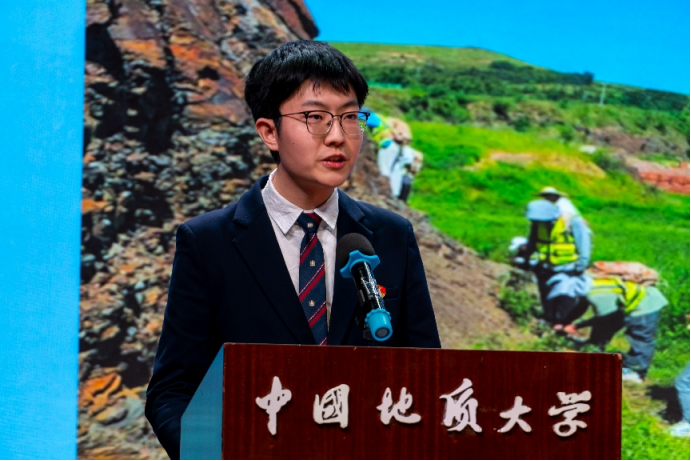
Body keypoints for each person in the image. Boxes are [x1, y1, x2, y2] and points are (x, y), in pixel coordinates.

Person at [145, 41, 441, 460]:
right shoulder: (208, 241)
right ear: (269, 131)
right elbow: (173, 390)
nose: (337, 136)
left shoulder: (391, 235)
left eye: (350, 117)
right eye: (315, 118)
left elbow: (429, 375)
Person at [562, 278, 667, 383]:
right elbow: (582, 307)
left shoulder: (597, 296)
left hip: (645, 304)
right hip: (628, 301)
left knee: (641, 339)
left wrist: (577, 325)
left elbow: (605, 318)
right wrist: (566, 323)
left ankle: (635, 372)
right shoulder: (589, 285)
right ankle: (595, 352)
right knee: (605, 327)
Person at [522, 196, 592, 326]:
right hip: (545, 266)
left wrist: (581, 265)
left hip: (567, 266)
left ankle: (561, 323)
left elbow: (584, 244)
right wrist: (526, 260)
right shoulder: (537, 224)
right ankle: (549, 319)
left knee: (565, 296)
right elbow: (532, 242)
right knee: (546, 296)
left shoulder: (572, 222)